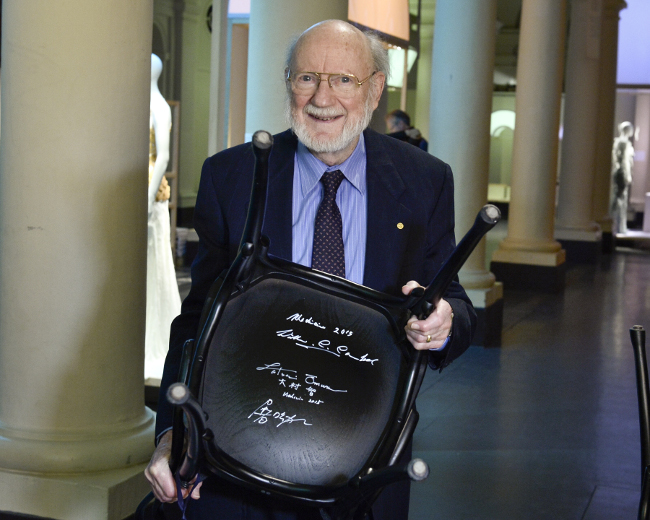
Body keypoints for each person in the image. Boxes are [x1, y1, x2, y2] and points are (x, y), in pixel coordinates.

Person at [145, 20, 476, 520]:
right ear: (288, 84)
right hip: (239, 455)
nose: (324, 96)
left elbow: (452, 296)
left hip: (363, 460)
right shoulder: (230, 176)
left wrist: (445, 320)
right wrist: (173, 433)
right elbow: (196, 323)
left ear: (375, 88)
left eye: (344, 79)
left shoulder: (424, 180)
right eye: (307, 78)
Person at [145, 54, 181, 380]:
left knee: (154, 267)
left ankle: (155, 341)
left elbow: (163, 155)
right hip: (134, 192)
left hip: (151, 197)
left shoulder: (159, 106)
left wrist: (147, 194)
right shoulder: (137, 103)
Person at [611, 121, 634, 235]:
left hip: (619, 172)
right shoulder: (623, 143)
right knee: (620, 200)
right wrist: (627, 175)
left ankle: (619, 226)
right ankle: (618, 226)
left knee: (619, 200)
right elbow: (623, 160)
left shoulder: (620, 142)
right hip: (622, 173)